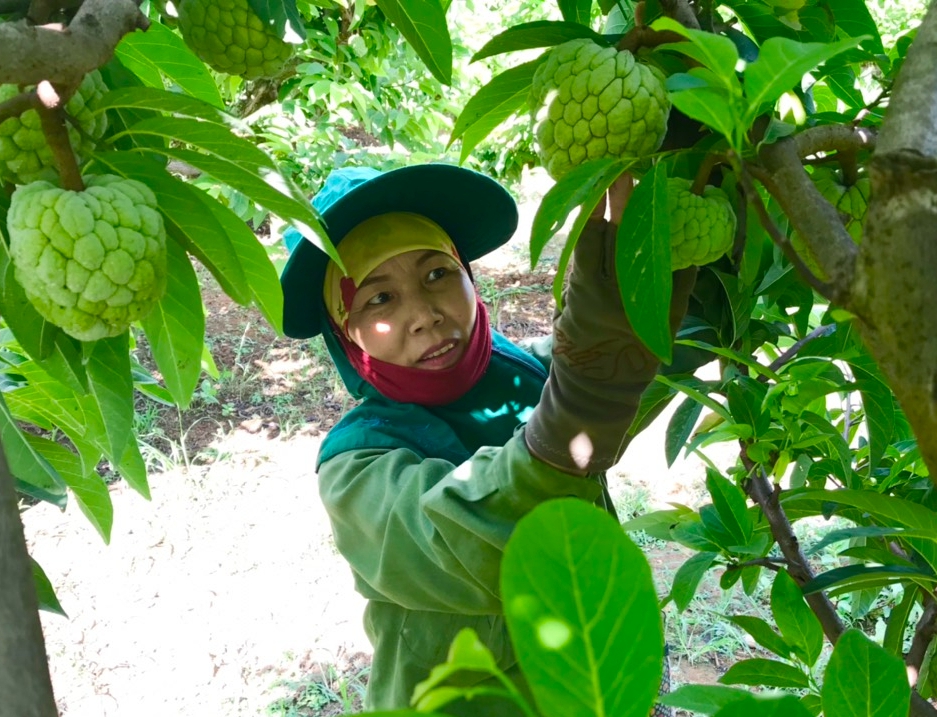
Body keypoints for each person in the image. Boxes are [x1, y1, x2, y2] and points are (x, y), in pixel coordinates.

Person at [279, 163, 697, 715]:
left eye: (436, 275)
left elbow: (658, 354)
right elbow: (468, 541)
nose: (424, 315)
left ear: (470, 278)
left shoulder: (527, 374)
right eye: (378, 300)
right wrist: (586, 395)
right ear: (345, 331)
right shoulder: (357, 468)